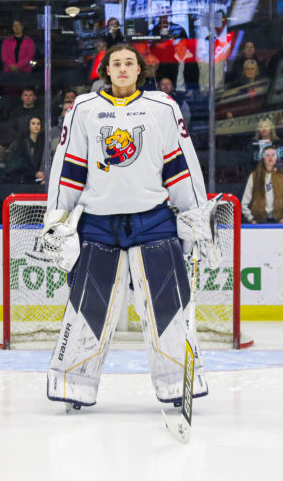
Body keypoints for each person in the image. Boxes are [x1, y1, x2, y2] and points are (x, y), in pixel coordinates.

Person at [43, 43, 216, 409]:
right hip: (98, 224)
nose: (122, 69)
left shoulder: (163, 108)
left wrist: (194, 214)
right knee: (88, 308)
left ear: (140, 70)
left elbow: (181, 166)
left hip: (153, 220)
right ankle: (73, 385)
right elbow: (68, 169)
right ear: (105, 70)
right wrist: (57, 219)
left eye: (129, 63)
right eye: (115, 64)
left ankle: (175, 384)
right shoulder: (83, 110)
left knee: (169, 305)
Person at [241, 145, 283, 224]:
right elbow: (244, 203)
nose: (270, 158)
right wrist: (251, 219)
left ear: (276, 158)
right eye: (267, 155)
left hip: (278, 220)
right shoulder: (254, 176)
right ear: (263, 158)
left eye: (273, 155)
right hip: (258, 220)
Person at [5, 116, 46, 184]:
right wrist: (35, 173)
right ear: (29, 127)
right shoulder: (22, 143)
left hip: (40, 180)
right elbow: (21, 162)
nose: (36, 126)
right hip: (24, 180)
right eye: (33, 123)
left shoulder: (43, 142)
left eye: (38, 124)